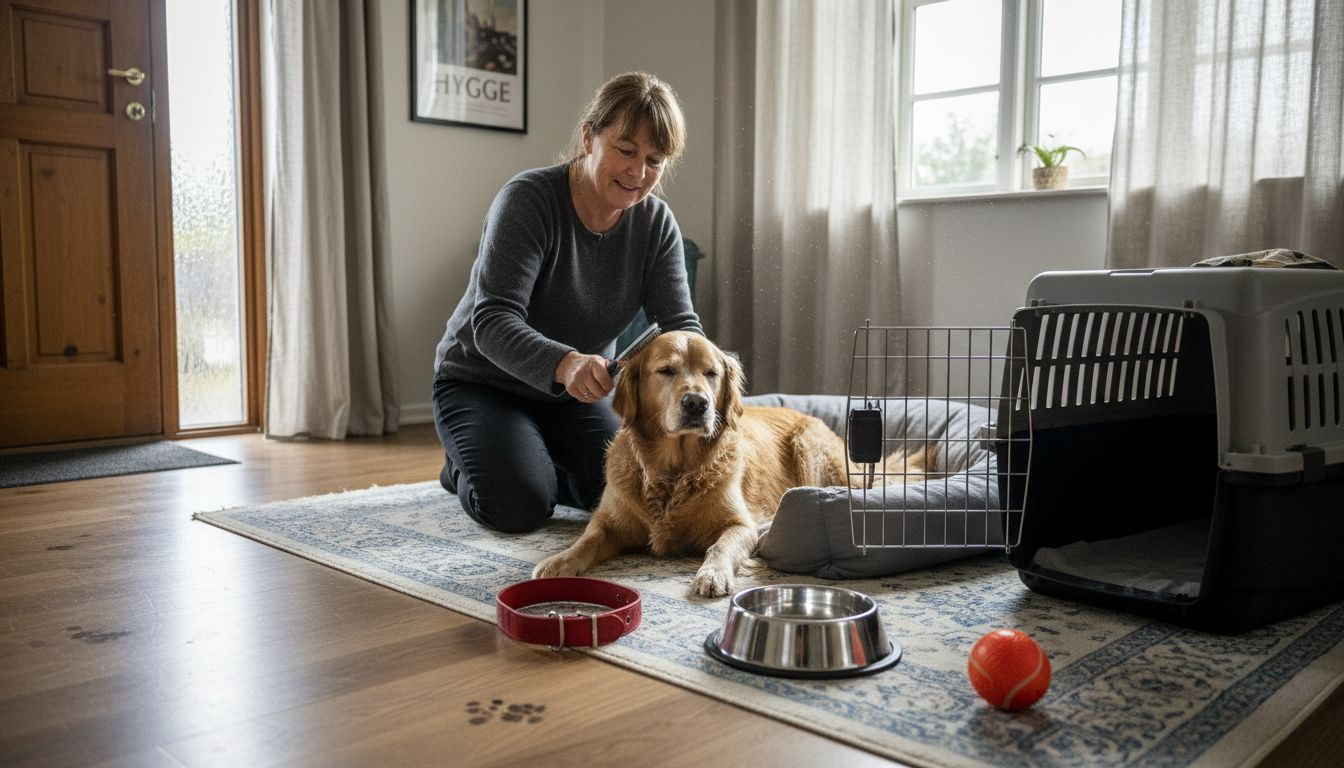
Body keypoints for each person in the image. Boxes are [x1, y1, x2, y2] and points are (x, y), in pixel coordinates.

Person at [431, 72, 703, 533]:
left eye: (655, 160)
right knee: (519, 506)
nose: (638, 174)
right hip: (482, 384)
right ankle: (466, 464)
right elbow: (493, 320)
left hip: (577, 398)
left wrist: (703, 380)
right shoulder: (528, 200)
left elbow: (680, 325)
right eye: (626, 150)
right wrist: (566, 364)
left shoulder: (656, 224)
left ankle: (529, 454)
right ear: (589, 137)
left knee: (634, 496)